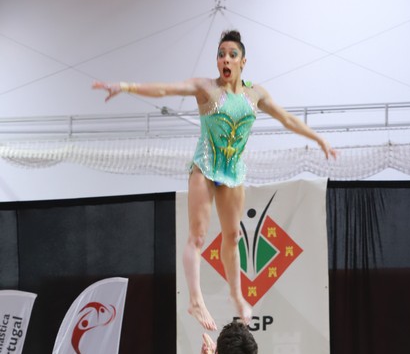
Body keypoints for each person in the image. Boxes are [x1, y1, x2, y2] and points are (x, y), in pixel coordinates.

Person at [93, 29, 336, 331]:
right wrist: (125, 86)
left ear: (243, 61)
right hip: (205, 167)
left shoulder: (255, 94)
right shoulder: (206, 88)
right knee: (197, 237)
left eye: (232, 55)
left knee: (233, 238)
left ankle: (237, 294)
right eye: (221, 54)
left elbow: (287, 119)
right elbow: (166, 90)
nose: (225, 59)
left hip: (233, 173)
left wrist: (318, 139)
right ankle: (195, 300)